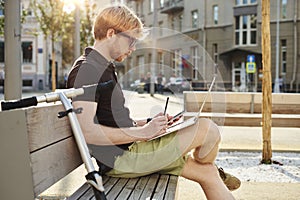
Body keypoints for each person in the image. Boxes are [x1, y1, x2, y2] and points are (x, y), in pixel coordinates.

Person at [67, 4, 240, 199]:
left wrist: (147, 123)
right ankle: (205, 161)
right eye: (131, 40)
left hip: (129, 153)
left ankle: (207, 165)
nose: (133, 48)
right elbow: (86, 131)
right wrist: (141, 133)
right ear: (111, 33)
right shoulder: (88, 70)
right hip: (123, 159)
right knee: (208, 129)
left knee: (207, 173)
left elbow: (109, 120)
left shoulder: (102, 67)